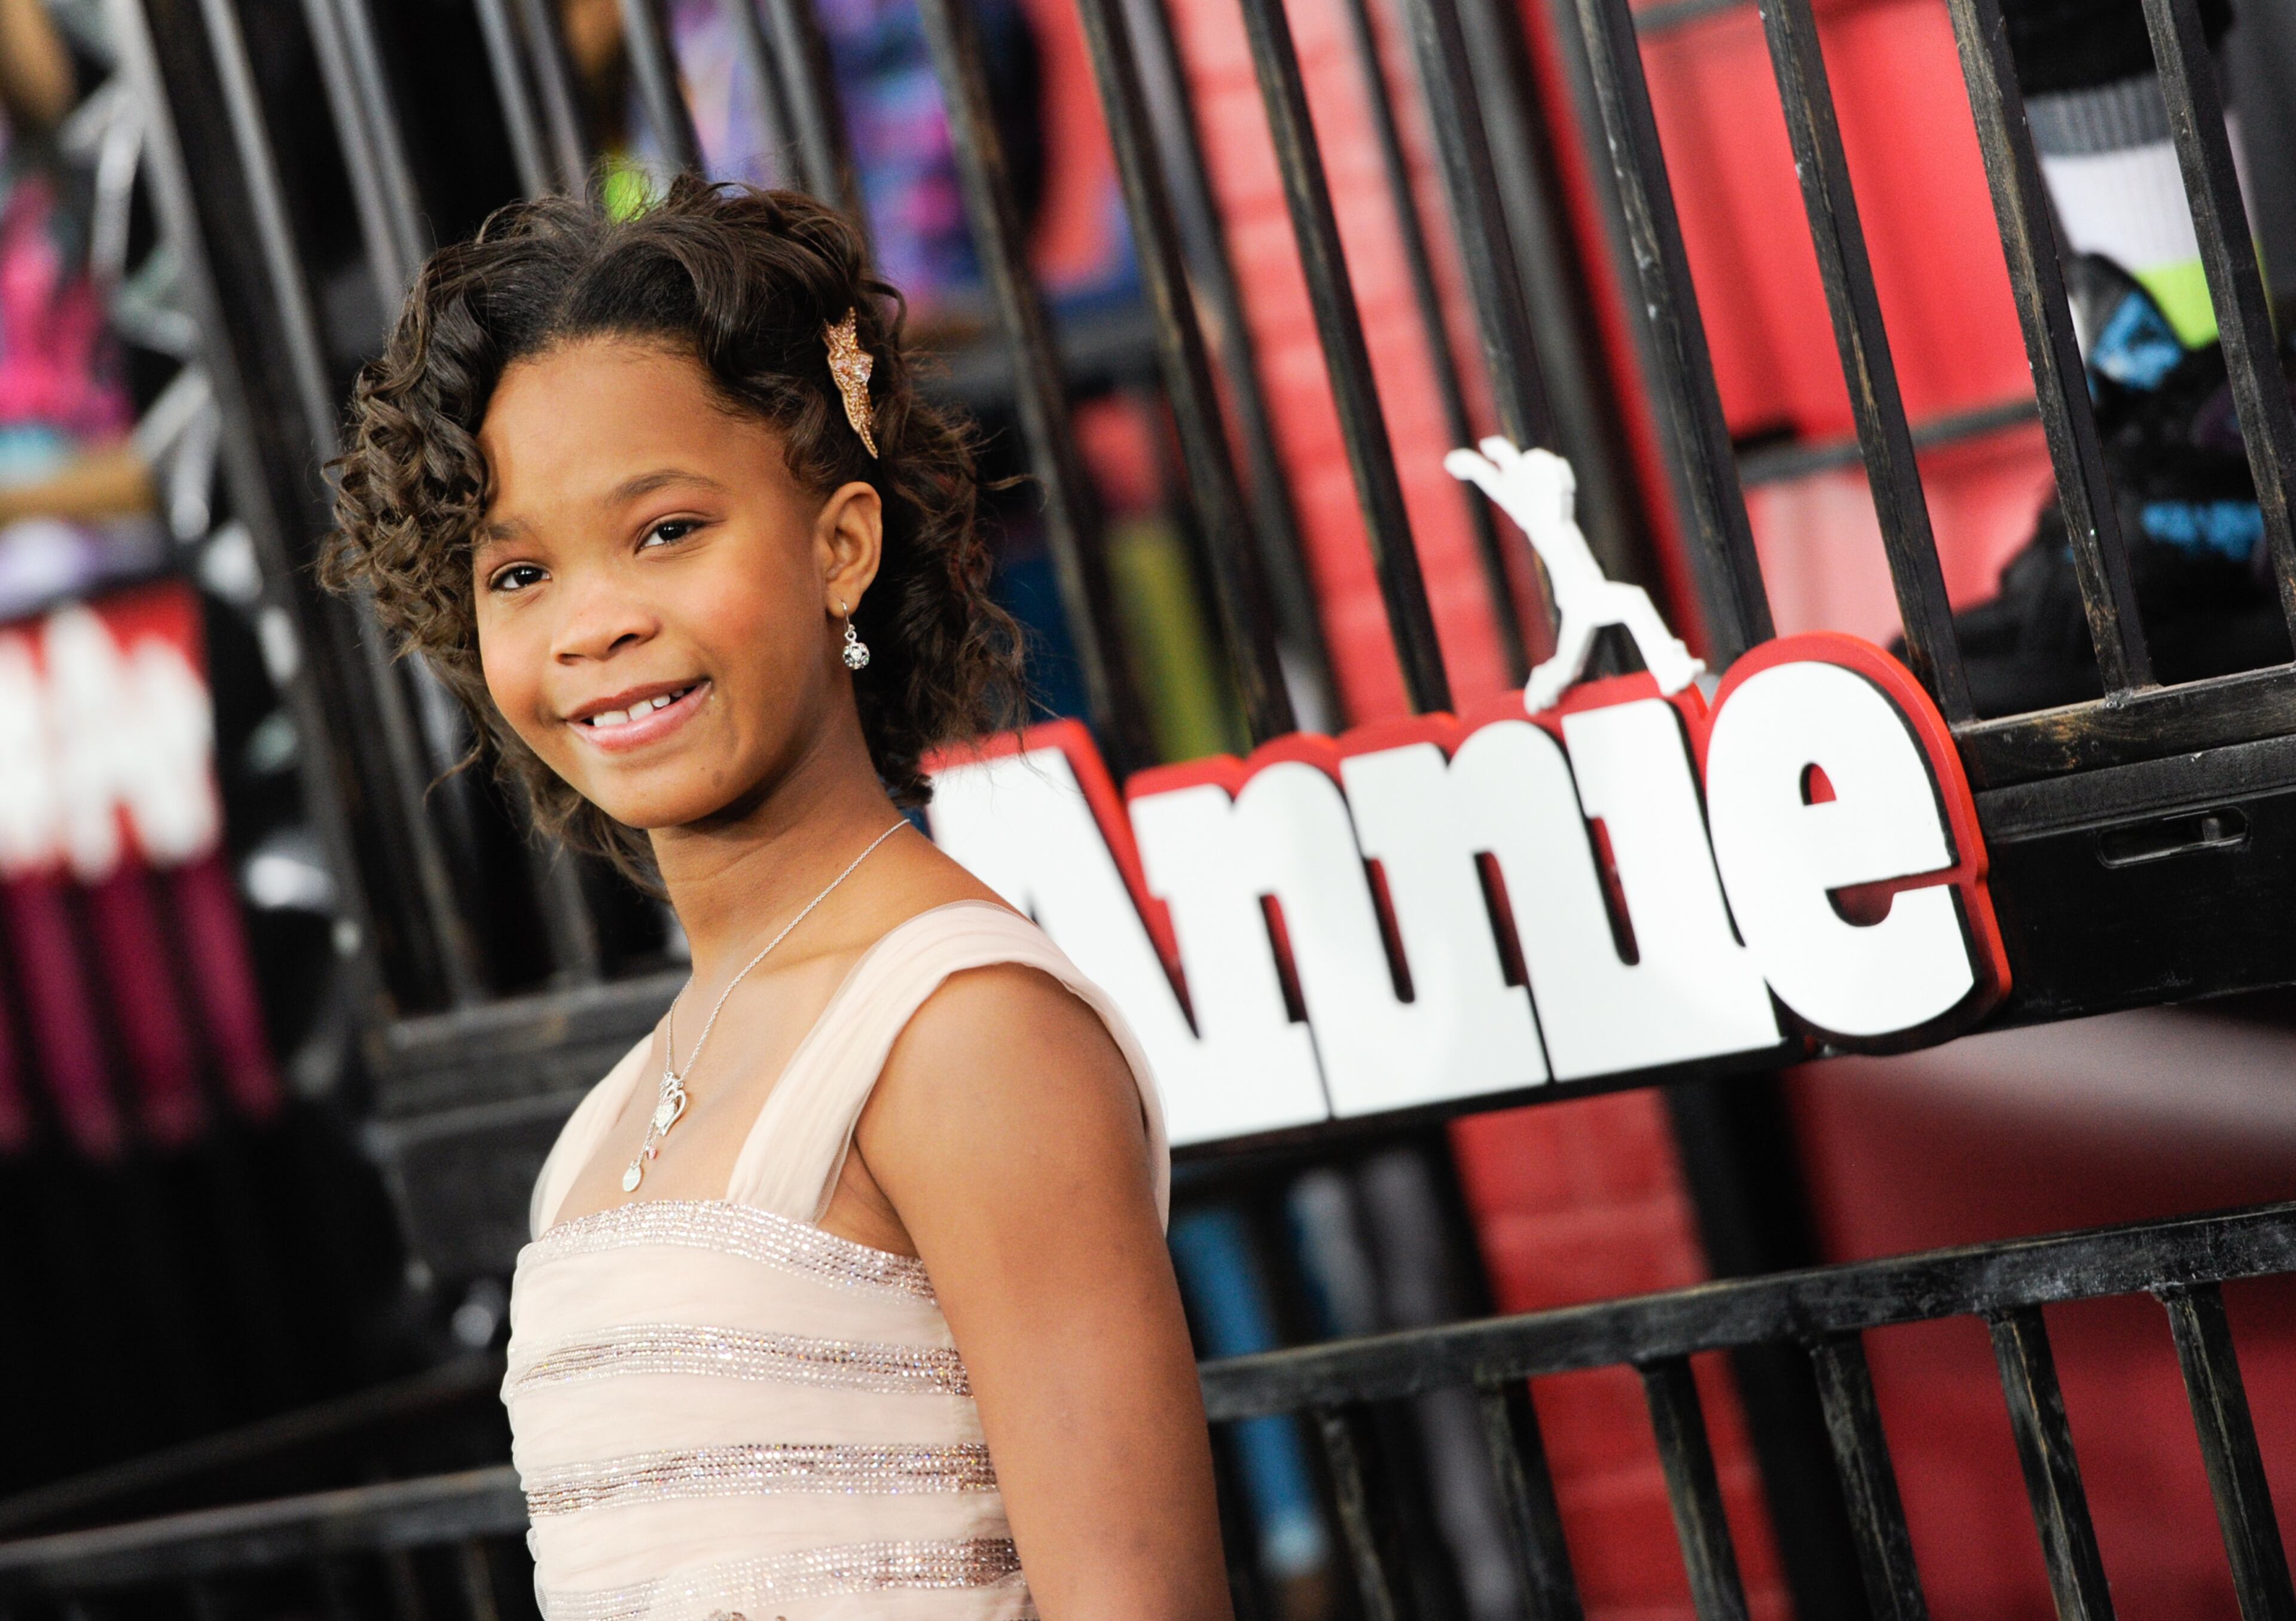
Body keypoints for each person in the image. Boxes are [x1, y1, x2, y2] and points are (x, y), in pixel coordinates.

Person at [323, 177, 1231, 1620]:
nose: (594, 622)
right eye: (521, 571)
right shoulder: (602, 1127)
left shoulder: (965, 1037)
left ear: (839, 546)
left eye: (666, 531)